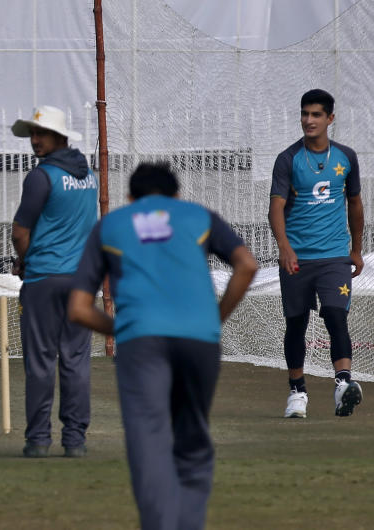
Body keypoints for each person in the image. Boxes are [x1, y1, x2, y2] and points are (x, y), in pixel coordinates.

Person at [68, 162, 257, 530]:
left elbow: (77, 308)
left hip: (142, 340)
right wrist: (215, 318)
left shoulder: (110, 225)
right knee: (193, 437)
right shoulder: (198, 216)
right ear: (176, 196)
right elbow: (247, 264)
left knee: (149, 440)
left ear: (130, 198)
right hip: (200, 339)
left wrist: (120, 328)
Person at [9, 105, 98, 458]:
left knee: (41, 361)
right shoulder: (87, 175)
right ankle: (75, 440)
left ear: (60, 137)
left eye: (40, 134)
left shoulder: (40, 176)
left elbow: (19, 232)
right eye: (32, 133)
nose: (35, 140)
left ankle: (39, 439)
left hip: (44, 278)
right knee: (76, 360)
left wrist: (24, 260)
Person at [269, 88, 364, 418]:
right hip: (297, 258)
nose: (309, 120)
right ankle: (297, 392)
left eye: (316, 115)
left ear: (330, 119)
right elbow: (276, 208)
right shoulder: (288, 159)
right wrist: (284, 247)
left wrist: (356, 249)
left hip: (335, 257)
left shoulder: (346, 157)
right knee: (296, 323)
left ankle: (342, 386)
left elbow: (355, 203)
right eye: (305, 114)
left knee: (336, 315)